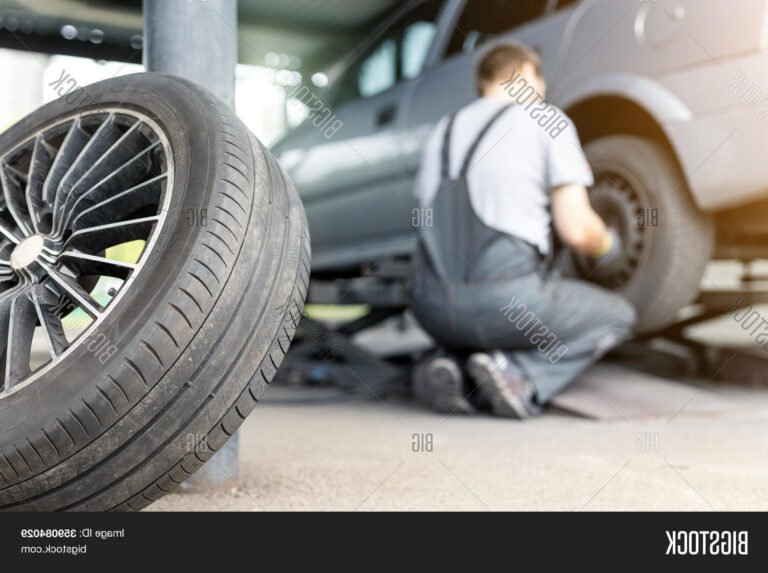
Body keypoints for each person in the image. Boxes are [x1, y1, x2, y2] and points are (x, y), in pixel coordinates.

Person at [410, 41, 636, 419]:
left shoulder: (442, 131)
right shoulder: (544, 120)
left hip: (429, 306)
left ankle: (452, 364)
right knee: (618, 315)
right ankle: (519, 376)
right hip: (505, 308)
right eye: (541, 78)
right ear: (527, 73)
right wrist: (611, 247)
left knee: (474, 316)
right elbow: (578, 230)